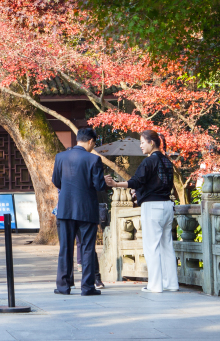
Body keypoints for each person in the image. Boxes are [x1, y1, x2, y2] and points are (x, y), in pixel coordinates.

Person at [105, 130, 180, 293]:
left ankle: (155, 285)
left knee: (151, 247)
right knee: (167, 246)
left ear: (151, 142)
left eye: (142, 142)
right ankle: (172, 283)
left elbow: (136, 181)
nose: (140, 145)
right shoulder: (167, 161)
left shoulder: (148, 162)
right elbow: (156, 183)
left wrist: (116, 185)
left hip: (153, 207)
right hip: (167, 205)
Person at [52, 127, 108, 296]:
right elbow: (99, 186)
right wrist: (104, 181)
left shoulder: (60, 157)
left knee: (65, 248)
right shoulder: (93, 160)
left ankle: (63, 286)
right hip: (86, 210)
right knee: (88, 248)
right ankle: (87, 287)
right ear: (91, 141)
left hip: (65, 209)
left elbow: (56, 181)